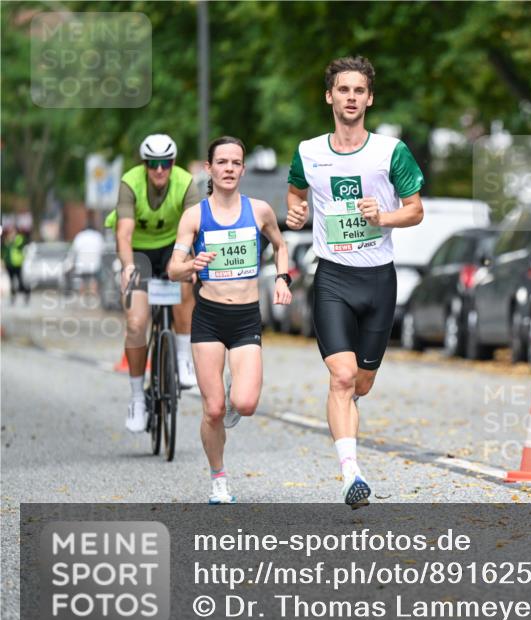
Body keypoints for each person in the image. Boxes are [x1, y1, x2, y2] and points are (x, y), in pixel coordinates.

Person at [286, 55, 424, 509]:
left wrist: (382, 217)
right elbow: (295, 189)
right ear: (330, 96)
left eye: (359, 91)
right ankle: (351, 474)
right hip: (332, 279)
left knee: (362, 382)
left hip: (378, 280)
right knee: (341, 377)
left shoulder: (390, 152)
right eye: (343, 90)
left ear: (369, 98)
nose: (351, 98)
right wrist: (297, 211)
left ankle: (349, 432)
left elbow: (415, 209)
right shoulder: (309, 151)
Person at [168, 136, 291, 504]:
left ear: (242, 169)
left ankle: (234, 392)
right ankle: (218, 478)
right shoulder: (195, 216)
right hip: (208, 316)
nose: (228, 169)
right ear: (209, 168)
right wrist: (192, 265)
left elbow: (281, 247)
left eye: (235, 163)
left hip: (245, 318)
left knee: (246, 402)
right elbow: (174, 268)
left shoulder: (259, 211)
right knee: (213, 408)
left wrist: (283, 279)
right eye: (221, 162)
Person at [107, 134, 201, 433]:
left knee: (186, 282)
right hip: (139, 251)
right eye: (153, 164)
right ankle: (137, 398)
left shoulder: (186, 182)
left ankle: (184, 358)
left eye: (166, 163)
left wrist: (192, 262)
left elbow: (197, 227)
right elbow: (123, 233)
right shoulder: (130, 183)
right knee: (136, 323)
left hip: (175, 247)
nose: (159, 170)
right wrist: (128, 267)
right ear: (144, 164)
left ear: (173, 163)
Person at [69, 221, 104, 296]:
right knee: (93, 281)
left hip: (81, 264)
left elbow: (74, 251)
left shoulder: (80, 236)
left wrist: (71, 263)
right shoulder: (97, 236)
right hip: (94, 264)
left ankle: (81, 299)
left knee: (82, 282)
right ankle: (93, 298)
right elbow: (102, 250)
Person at [1, 225, 30, 304]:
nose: (11, 233)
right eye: (10, 232)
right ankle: (13, 298)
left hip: (18, 264)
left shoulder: (20, 238)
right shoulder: (6, 240)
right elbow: (3, 251)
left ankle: (27, 293)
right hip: (9, 264)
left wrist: (12, 241)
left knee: (20, 281)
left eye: (13, 231)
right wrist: (2, 260)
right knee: (11, 282)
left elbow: (20, 247)